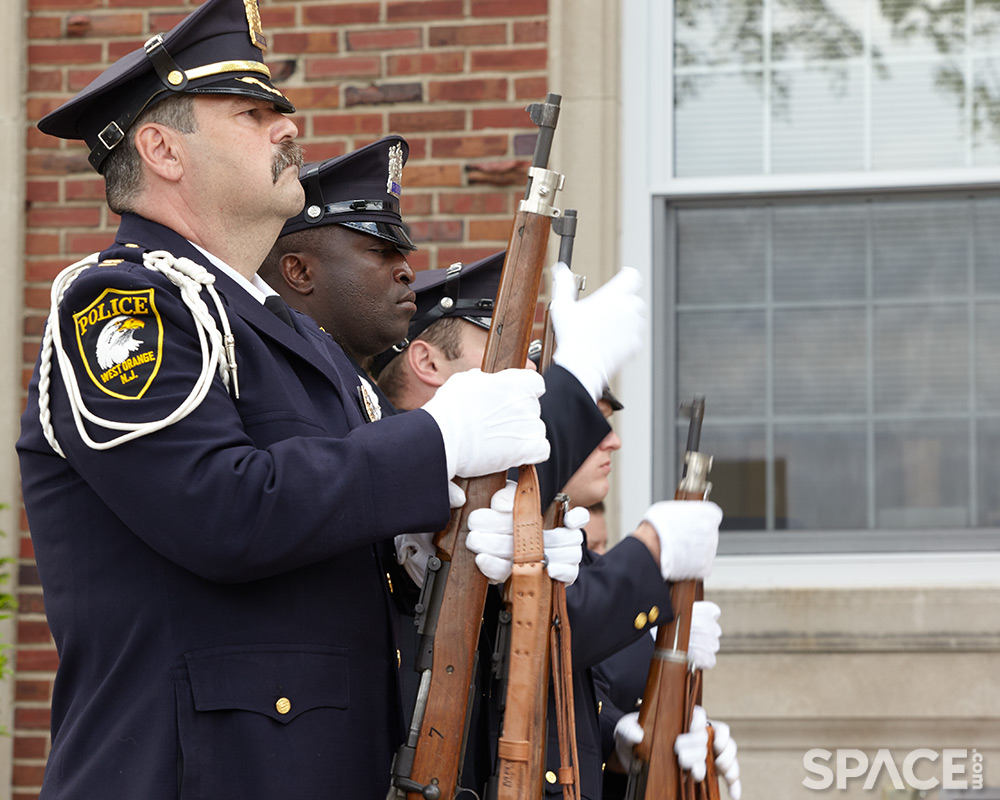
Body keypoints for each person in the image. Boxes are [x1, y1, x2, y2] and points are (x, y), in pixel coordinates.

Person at [16, 2, 551, 799]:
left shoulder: (279, 332)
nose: (286, 128)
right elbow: (221, 512)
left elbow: (330, 553)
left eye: (280, 110)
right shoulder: (126, 302)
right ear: (162, 149)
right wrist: (436, 444)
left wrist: (445, 541)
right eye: (252, 113)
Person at [375, 258, 726, 800]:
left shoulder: (522, 489)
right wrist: (651, 555)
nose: (522, 376)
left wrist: (615, 737)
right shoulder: (405, 475)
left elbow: (555, 655)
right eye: (503, 352)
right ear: (426, 360)